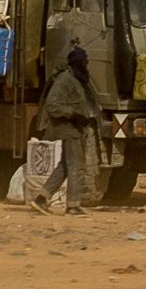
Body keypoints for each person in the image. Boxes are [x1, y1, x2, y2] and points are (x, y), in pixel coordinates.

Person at [33, 46, 99, 216]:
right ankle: (73, 206)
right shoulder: (65, 79)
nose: (85, 65)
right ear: (75, 63)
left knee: (64, 166)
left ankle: (41, 198)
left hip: (76, 128)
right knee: (76, 166)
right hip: (69, 129)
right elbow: (53, 105)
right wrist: (73, 115)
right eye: (82, 62)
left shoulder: (76, 80)